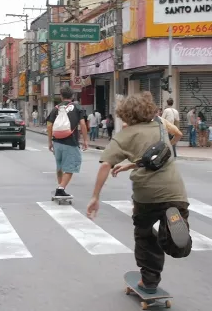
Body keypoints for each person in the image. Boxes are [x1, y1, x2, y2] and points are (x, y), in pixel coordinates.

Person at [87, 91, 192, 294]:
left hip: (147, 195)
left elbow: (105, 165)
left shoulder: (124, 136)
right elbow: (155, 154)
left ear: (125, 114)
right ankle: (174, 233)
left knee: (144, 235)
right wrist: (130, 166)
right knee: (174, 240)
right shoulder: (161, 126)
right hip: (175, 191)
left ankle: (149, 281)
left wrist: (95, 196)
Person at [46, 86, 89, 198]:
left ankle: (60, 186)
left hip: (57, 142)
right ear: (73, 96)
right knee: (71, 166)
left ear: (61, 96)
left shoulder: (56, 108)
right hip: (71, 141)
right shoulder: (77, 107)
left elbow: (49, 126)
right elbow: (83, 124)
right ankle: (60, 189)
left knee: (59, 166)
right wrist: (85, 140)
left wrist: (50, 142)